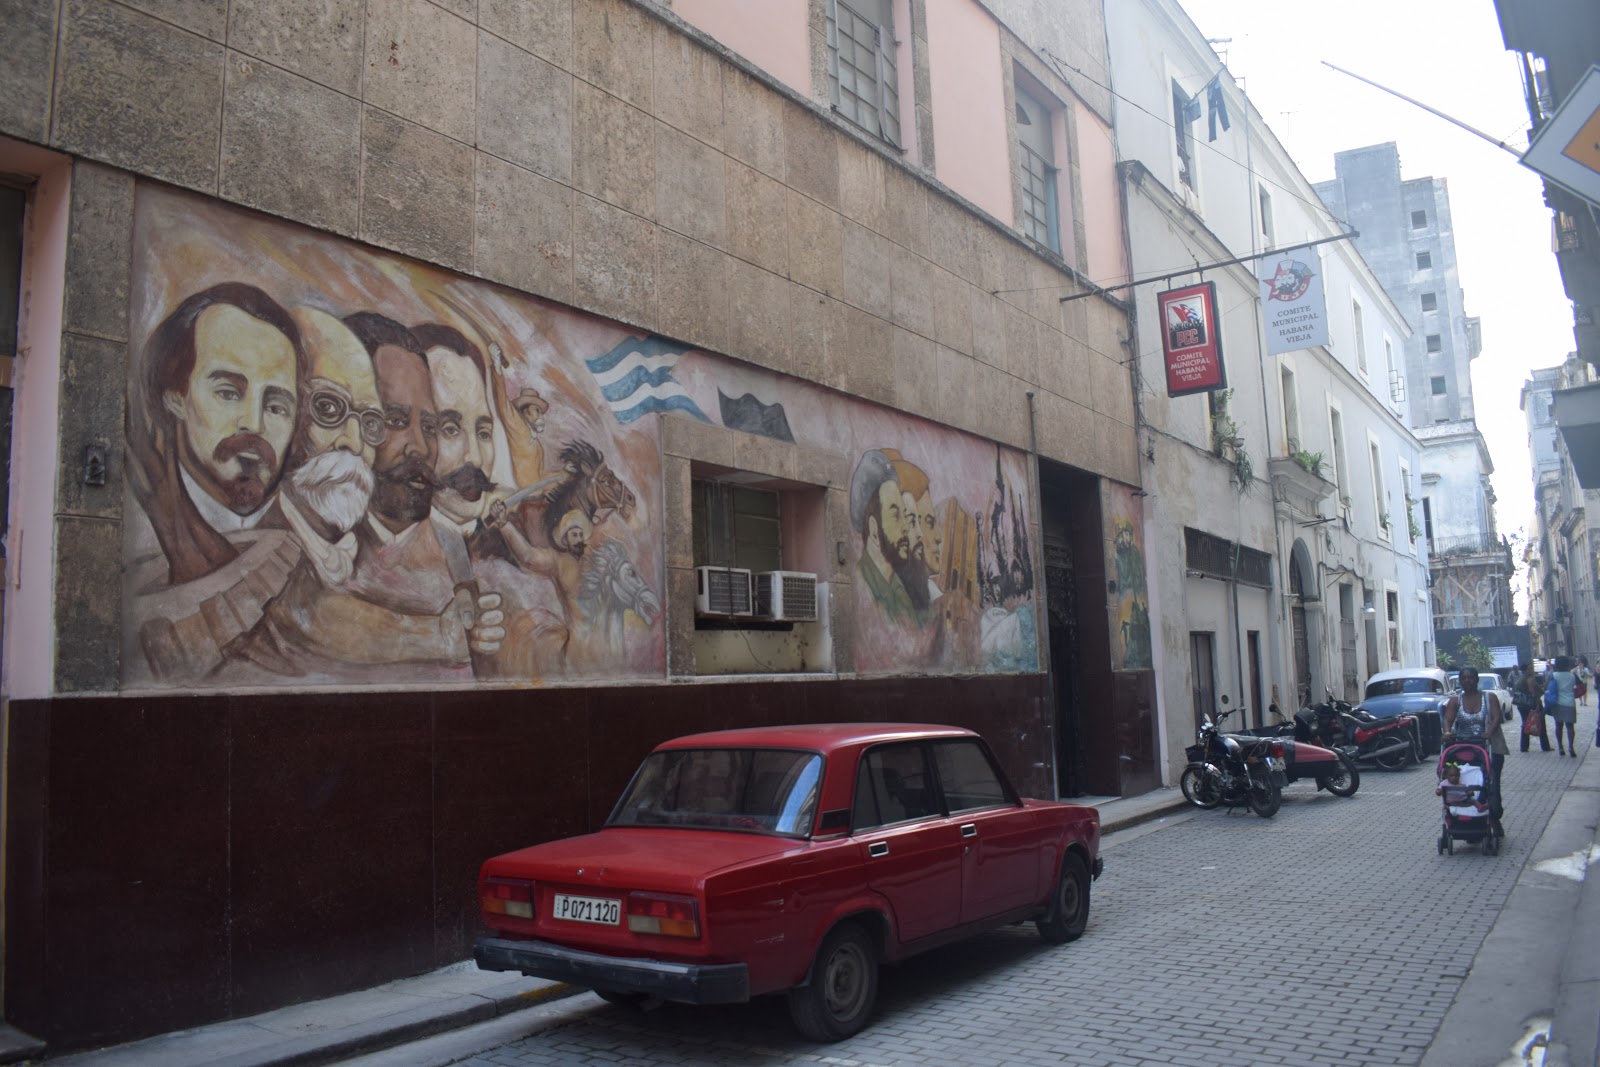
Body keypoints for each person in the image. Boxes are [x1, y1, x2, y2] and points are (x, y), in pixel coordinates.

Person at [1442, 666, 1507, 831]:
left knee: (1491, 783)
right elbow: (1448, 720)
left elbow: (1496, 718)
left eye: (1470, 678)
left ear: (1477, 680)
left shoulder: (1489, 697)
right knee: (1466, 783)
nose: (1467, 681)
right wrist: (1447, 732)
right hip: (1465, 748)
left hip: (1487, 746)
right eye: (1463, 678)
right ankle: (1469, 820)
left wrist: (1488, 732)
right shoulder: (1456, 700)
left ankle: (1494, 816)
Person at [1544, 656, 1579, 757]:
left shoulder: (1554, 675)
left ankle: (1560, 747)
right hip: (1570, 703)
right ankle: (1571, 747)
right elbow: (1579, 686)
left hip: (1557, 703)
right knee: (1570, 727)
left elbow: (1546, 686)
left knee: (1559, 726)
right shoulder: (1572, 676)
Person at [1515, 661, 1550, 753]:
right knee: (1541, 724)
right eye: (1530, 668)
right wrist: (1537, 705)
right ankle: (1545, 746)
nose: (1531, 670)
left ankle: (1524, 746)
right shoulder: (1530, 679)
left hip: (1522, 705)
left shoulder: (1520, 679)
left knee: (1525, 724)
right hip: (1530, 704)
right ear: (1526, 670)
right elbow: (1532, 693)